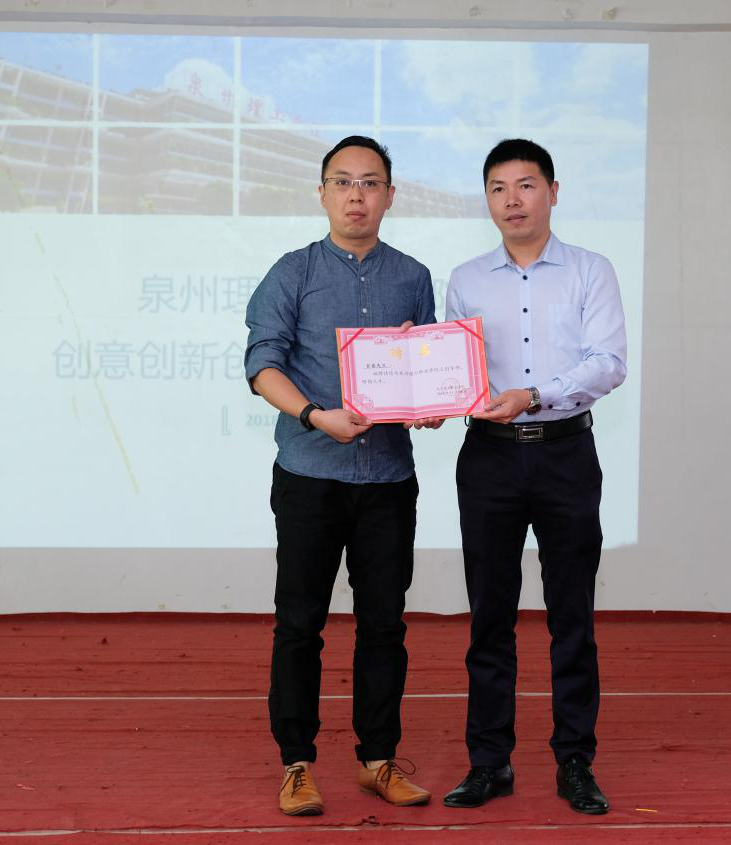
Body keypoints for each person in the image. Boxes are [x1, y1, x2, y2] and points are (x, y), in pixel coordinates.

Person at [244, 135, 439, 816]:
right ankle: (296, 764)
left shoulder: (413, 276)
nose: (357, 195)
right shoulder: (292, 271)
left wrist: (430, 404)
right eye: (343, 182)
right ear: (323, 192)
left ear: (390, 195)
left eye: (370, 182)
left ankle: (377, 760)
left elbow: (425, 367)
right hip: (310, 474)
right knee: (299, 624)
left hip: (387, 479)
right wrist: (313, 415)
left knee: (384, 625)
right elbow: (262, 365)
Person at [442, 139, 627, 814]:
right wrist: (422, 388)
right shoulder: (466, 278)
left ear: (553, 190)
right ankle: (489, 761)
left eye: (525, 185)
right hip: (488, 457)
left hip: (564, 454)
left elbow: (608, 362)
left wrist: (534, 394)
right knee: (489, 616)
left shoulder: (590, 271)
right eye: (498, 188)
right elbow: (453, 369)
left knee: (571, 613)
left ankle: (575, 760)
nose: (512, 200)